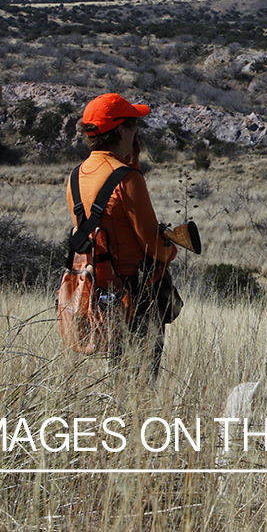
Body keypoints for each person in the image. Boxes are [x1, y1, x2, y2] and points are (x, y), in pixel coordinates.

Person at [67, 93, 180, 381]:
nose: (136, 131)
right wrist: (171, 250)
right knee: (141, 379)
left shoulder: (76, 176)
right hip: (136, 293)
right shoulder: (127, 178)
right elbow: (151, 244)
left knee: (116, 373)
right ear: (119, 131)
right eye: (132, 124)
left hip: (99, 291)